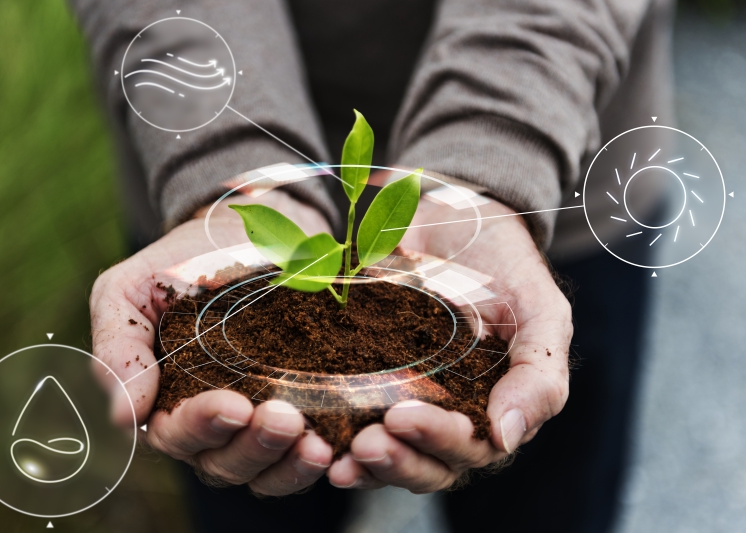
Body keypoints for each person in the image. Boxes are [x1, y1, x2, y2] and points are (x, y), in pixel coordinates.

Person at [71, 0, 674, 531]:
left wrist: (496, 148)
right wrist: (227, 156)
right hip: (205, 194)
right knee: (249, 477)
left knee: (544, 498)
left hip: (549, 160)